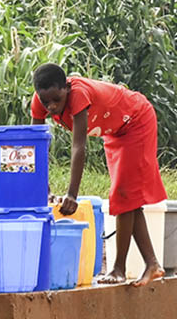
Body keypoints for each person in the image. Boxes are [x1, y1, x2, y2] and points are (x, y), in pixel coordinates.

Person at [31, 63, 166, 287]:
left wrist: (72, 195)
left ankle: (118, 269)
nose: (52, 107)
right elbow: (35, 146)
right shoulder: (40, 103)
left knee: (123, 194)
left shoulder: (78, 95)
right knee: (128, 198)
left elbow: (78, 147)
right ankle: (152, 264)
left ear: (66, 87)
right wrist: (44, 191)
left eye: (57, 99)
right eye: (46, 102)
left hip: (135, 120)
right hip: (114, 132)